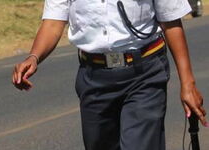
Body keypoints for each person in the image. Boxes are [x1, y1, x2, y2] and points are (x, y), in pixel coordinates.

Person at [12, 0, 208, 149]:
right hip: (94, 77)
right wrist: (33, 57)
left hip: (144, 73)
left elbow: (170, 20)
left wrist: (188, 83)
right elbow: (53, 23)